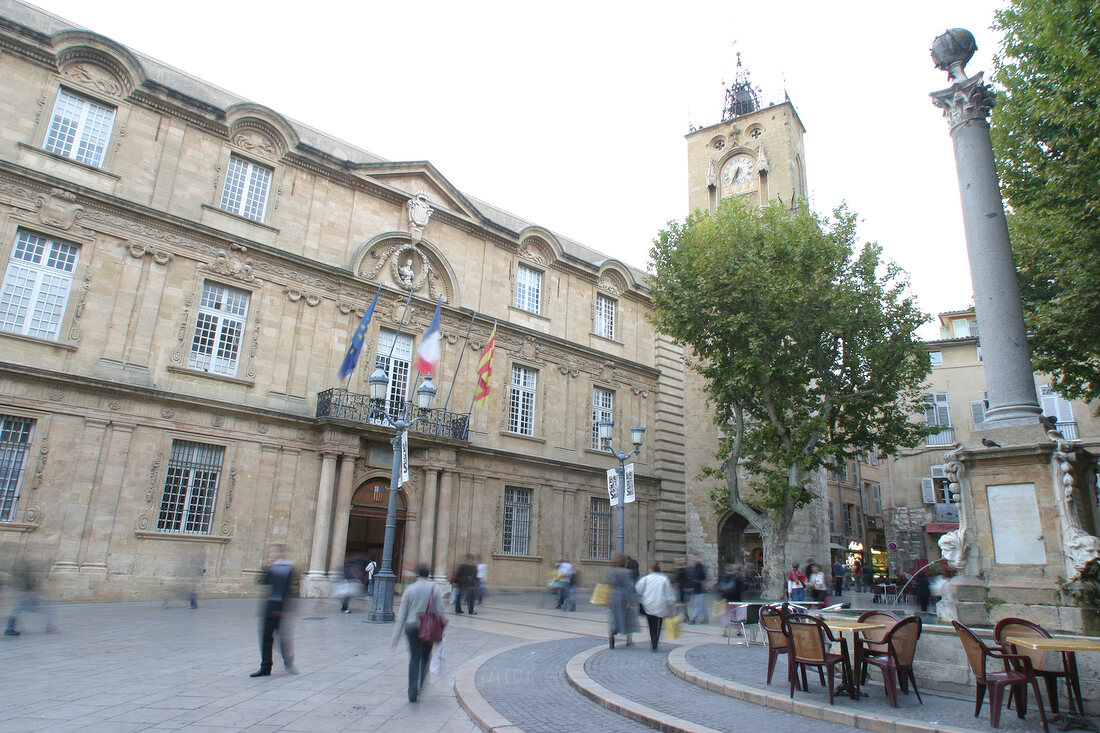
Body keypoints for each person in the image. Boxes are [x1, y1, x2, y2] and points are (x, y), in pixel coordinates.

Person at [392, 564, 445, 702]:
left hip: (411, 626)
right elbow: (439, 611)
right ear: (428, 574)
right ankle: (420, 684)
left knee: (414, 657)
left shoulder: (409, 589)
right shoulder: (434, 588)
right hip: (427, 627)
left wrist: (395, 637)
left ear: (417, 574)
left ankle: (412, 691)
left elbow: (402, 614)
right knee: (425, 656)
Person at [251, 544, 296, 677]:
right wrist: (266, 568)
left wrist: (286, 609)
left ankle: (288, 662)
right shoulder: (274, 567)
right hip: (271, 606)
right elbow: (264, 582)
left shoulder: (288, 568)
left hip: (279, 606)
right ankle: (266, 666)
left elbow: (288, 589)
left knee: (281, 639)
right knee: (267, 637)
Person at [4, 559, 56, 636]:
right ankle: (50, 628)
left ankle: (10, 628)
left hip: (25, 597)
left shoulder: (21, 576)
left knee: (16, 612)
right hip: (26, 597)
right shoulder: (23, 576)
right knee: (48, 611)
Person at [634, 562, 675, 651]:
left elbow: (638, 589)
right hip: (660, 605)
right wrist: (671, 605)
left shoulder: (646, 578)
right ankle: (655, 641)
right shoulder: (664, 579)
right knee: (658, 624)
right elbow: (669, 594)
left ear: (651, 569)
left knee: (651, 624)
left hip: (648, 604)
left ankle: (653, 639)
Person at [605, 554, 636, 648]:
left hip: (614, 597)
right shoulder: (627, 572)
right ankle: (628, 639)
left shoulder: (612, 572)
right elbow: (628, 587)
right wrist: (629, 602)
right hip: (623, 597)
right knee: (628, 618)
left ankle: (612, 634)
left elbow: (609, 583)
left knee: (615, 618)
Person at [689, 554, 709, 624]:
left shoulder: (700, 567)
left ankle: (694, 619)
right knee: (701, 605)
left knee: (698, 604)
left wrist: (699, 581)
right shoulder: (695, 567)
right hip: (696, 588)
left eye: (696, 558)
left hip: (699, 588)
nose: (694, 559)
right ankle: (706, 618)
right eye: (693, 558)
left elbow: (704, 577)